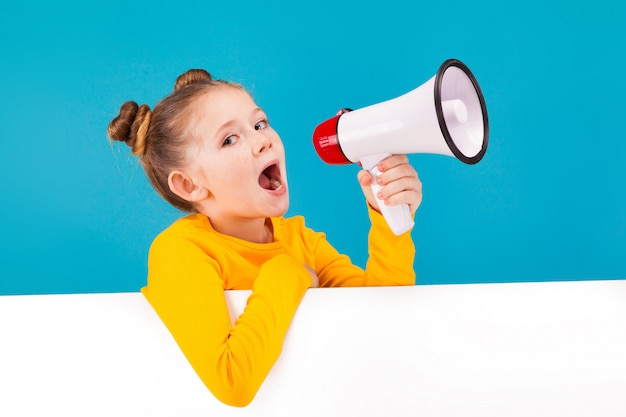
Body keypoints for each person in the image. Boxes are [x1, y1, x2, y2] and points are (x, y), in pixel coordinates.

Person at [107, 69, 422, 407]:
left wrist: (389, 219)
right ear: (189, 185)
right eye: (230, 139)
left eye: (259, 124)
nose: (264, 139)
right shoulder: (179, 253)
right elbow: (232, 384)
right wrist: (288, 272)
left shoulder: (300, 239)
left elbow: (384, 316)